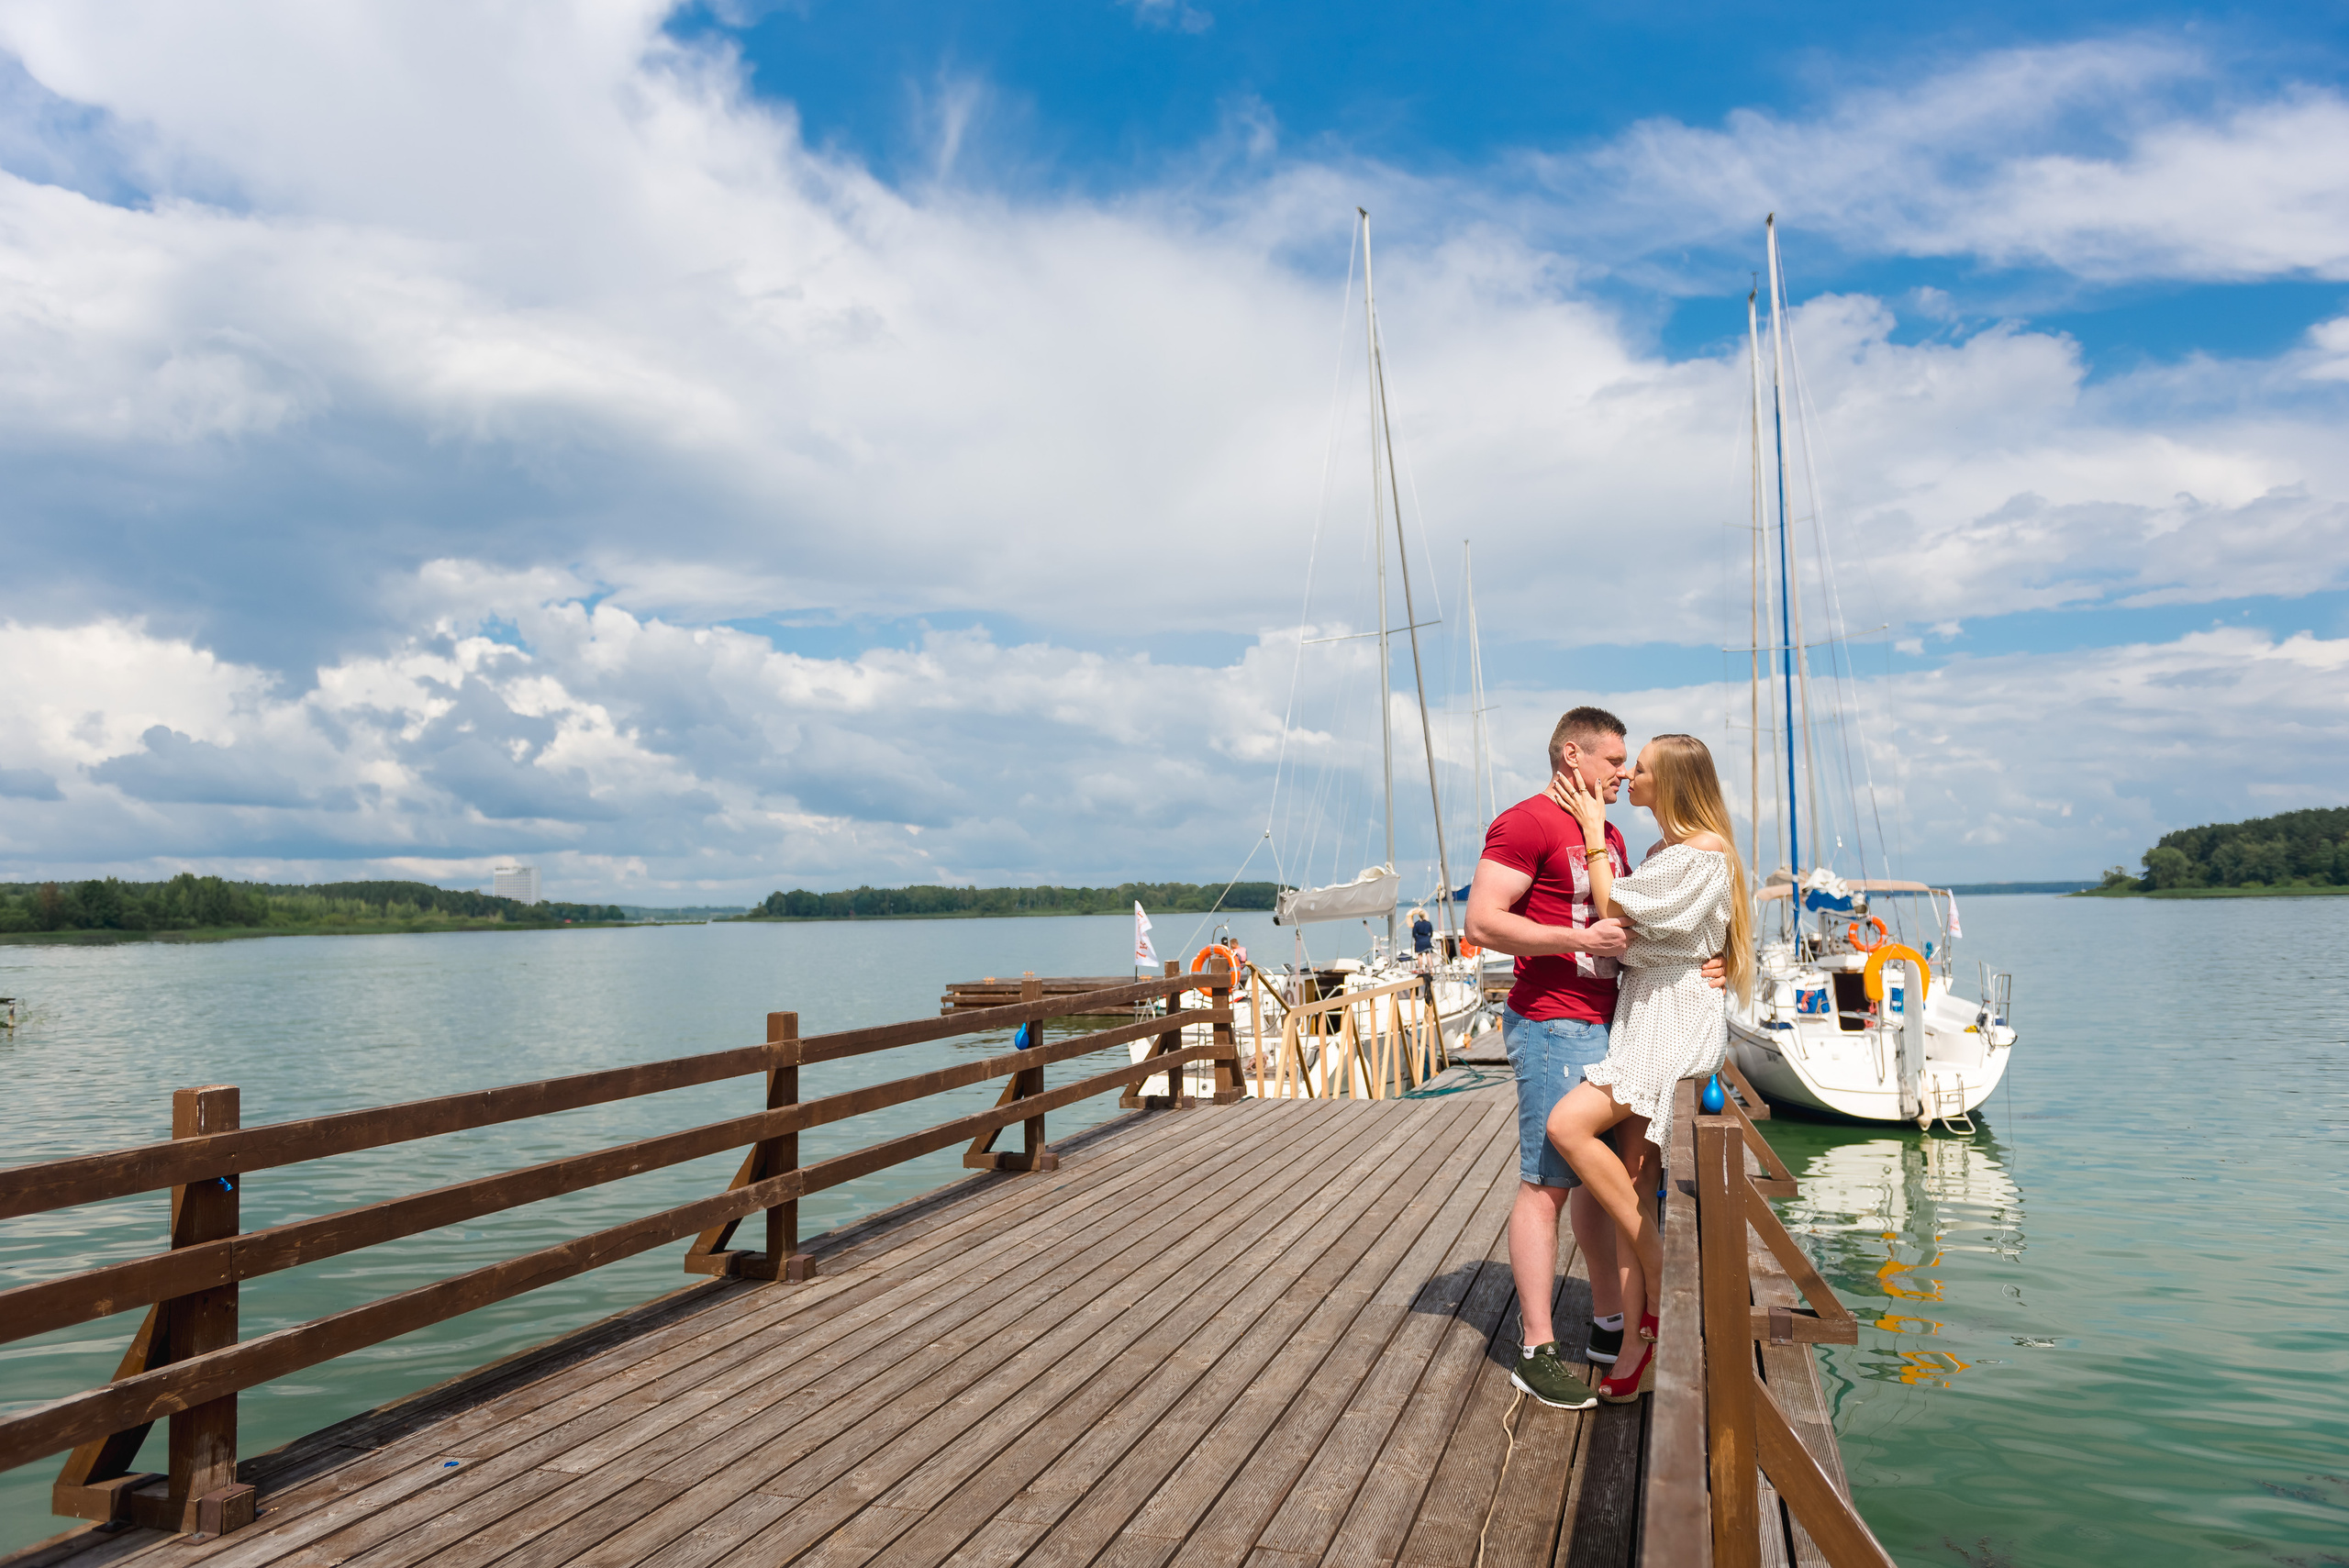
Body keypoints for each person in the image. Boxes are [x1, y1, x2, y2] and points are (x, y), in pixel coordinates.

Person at [1464, 706, 1725, 1411]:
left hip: (1612, 1020)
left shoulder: (1605, 833)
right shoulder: (1525, 822)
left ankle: (1613, 1319)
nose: (1621, 774)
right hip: (1554, 1020)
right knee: (1545, 1181)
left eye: (1628, 765)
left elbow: (1645, 923)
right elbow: (1481, 921)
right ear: (1572, 755)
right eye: (1615, 761)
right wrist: (1574, 941)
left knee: (1596, 1181)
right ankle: (1537, 1348)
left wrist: (1715, 957)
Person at [1544, 733, 1752, 1403]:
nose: (1630, 774)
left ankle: (1660, 1273)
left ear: (1672, 783)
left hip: (1674, 1017)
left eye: (1643, 768)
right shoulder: (1666, 852)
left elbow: (1613, 908)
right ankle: (1639, 1345)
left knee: (1567, 1125)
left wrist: (1592, 830)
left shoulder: (1704, 852)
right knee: (1633, 1184)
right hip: (1643, 1011)